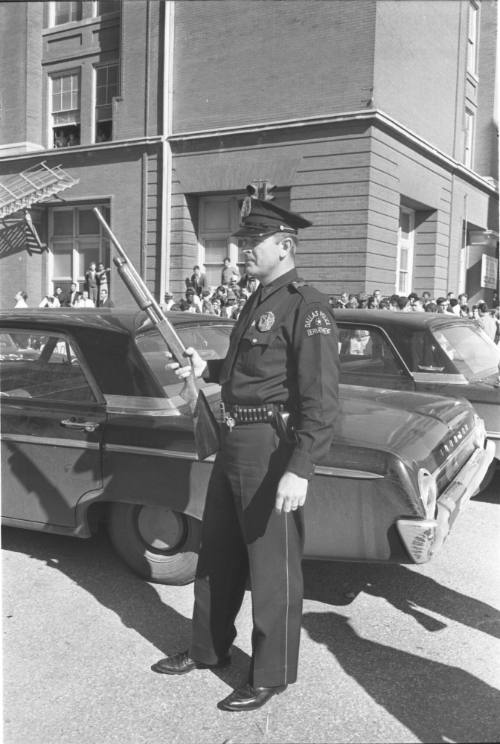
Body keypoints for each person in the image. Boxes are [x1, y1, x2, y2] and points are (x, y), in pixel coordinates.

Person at [152, 189, 340, 712]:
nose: (242, 252)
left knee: (272, 564)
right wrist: (203, 367)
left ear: (284, 245)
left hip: (272, 448)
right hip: (235, 439)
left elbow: (321, 401)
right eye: (242, 242)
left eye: (253, 242)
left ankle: (270, 673)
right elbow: (247, 374)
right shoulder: (256, 301)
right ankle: (208, 649)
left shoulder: (309, 306)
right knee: (218, 552)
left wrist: (299, 469)